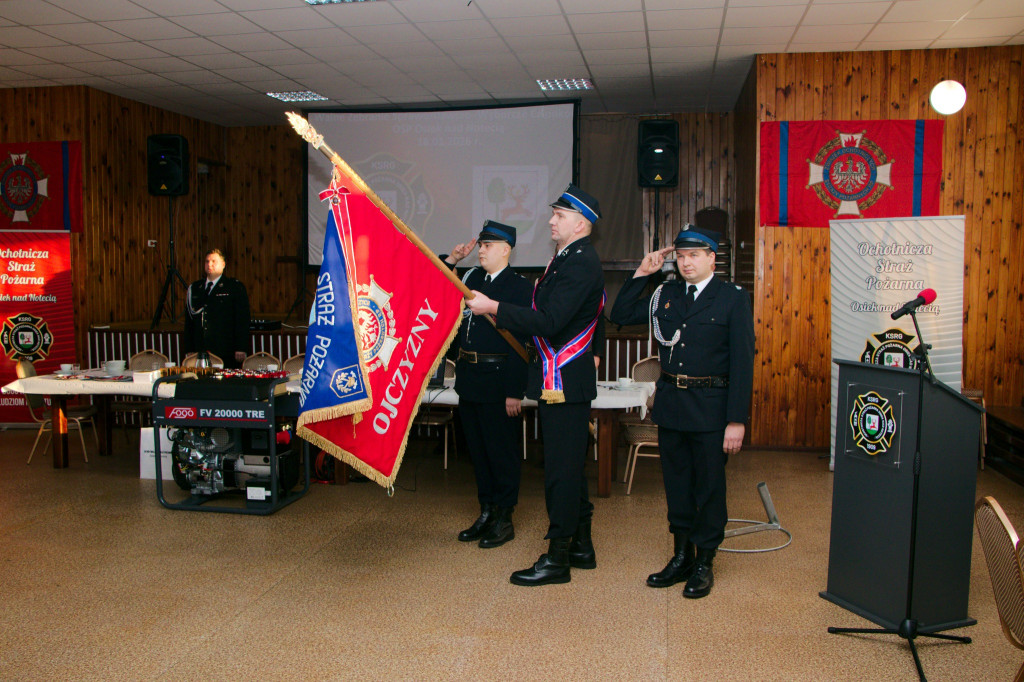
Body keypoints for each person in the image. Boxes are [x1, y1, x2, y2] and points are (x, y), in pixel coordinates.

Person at [466, 184, 605, 586]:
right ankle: (581, 546)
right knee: (568, 468)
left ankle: (558, 557)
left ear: (580, 223)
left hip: (566, 379)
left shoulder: (579, 262)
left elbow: (549, 322)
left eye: (559, 216)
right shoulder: (568, 258)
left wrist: (493, 307)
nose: (550, 220)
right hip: (560, 378)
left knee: (560, 472)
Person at [609, 224, 754, 599]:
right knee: (676, 486)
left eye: (694, 255)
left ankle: (704, 562)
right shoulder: (667, 294)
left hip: (712, 409)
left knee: (708, 488)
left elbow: (742, 363)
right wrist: (643, 273)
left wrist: (736, 419)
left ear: (711, 258)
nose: (686, 262)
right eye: (681, 256)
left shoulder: (732, 298)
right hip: (673, 405)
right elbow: (620, 313)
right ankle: (680, 556)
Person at [443, 221, 533, 549]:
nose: (481, 250)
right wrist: (453, 260)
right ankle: (486, 510)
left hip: (500, 382)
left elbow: (521, 343)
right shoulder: (471, 278)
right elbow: (440, 289)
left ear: (506, 249)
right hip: (471, 380)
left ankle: (504, 517)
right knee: (478, 453)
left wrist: (514, 391)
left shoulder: (520, 288)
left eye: (488, 245)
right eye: (480, 245)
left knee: (502, 453)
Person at [184, 248, 250, 369]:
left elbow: (242, 319)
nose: (209, 264)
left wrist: (241, 347)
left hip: (225, 349)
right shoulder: (195, 288)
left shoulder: (234, 287)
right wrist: (189, 349)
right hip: (200, 350)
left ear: (223, 264)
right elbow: (189, 322)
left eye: (214, 261)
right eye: (207, 261)